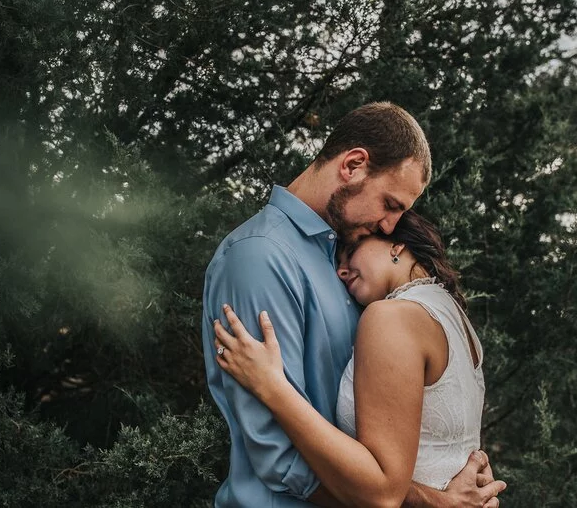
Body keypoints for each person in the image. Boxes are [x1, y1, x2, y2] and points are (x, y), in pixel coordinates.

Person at [201, 102, 504, 507]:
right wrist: (435, 502)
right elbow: (280, 456)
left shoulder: (346, 264)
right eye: (391, 204)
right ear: (354, 165)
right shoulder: (260, 257)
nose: (391, 225)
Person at [214, 211, 505, 507]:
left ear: (397, 246)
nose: (341, 271)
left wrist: (271, 386)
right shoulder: (456, 320)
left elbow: (382, 493)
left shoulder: (391, 317)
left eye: (351, 251)